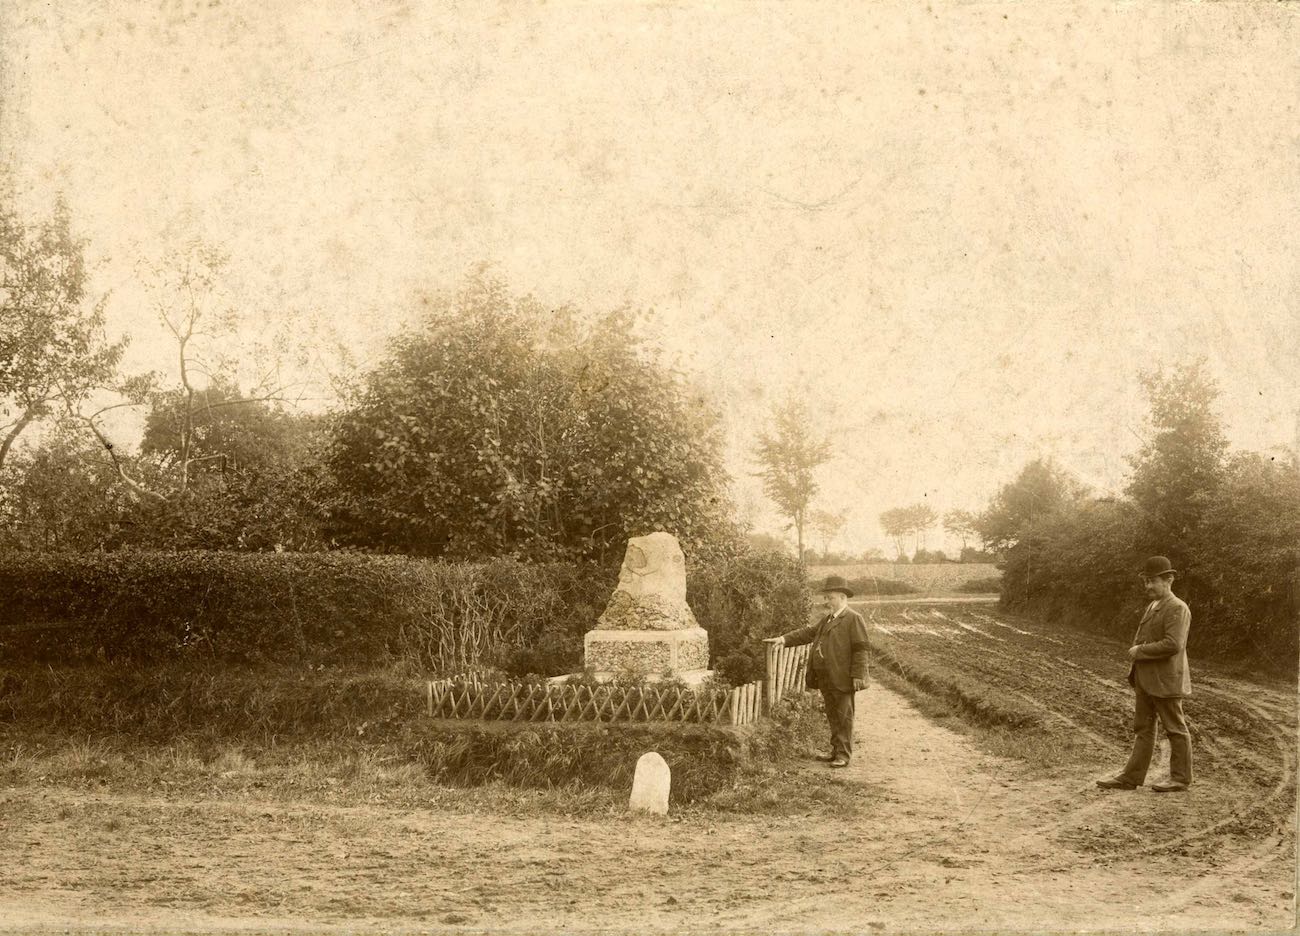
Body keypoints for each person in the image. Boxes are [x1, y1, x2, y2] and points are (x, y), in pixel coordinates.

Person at [1096, 555, 1193, 793]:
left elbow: (1173, 644)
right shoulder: (1153, 605)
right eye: (1146, 581)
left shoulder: (1177, 608)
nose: (1147, 586)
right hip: (1146, 679)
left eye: (1152, 581)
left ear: (1169, 579)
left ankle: (1180, 779)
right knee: (1143, 728)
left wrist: (1140, 650)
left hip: (1166, 680)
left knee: (1175, 728)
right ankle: (1131, 778)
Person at [764, 575, 870, 768]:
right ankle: (835, 751)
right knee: (832, 714)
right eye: (826, 598)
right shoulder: (827, 619)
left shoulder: (854, 619)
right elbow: (807, 633)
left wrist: (858, 675)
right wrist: (783, 639)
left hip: (843, 677)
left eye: (830, 598)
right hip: (826, 678)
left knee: (844, 716)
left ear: (842, 597)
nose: (827, 601)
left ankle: (843, 755)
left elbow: (861, 649)